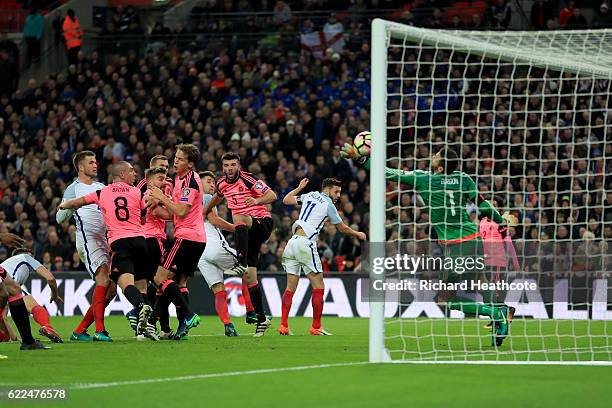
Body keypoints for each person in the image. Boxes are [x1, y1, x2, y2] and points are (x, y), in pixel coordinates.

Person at [342, 144, 517, 346]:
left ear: (441, 168)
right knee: (480, 280)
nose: (433, 156)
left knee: (446, 298)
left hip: (456, 246)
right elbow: (483, 205)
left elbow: (388, 173)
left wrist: (361, 158)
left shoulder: (424, 178)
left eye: (437, 156)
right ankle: (500, 314)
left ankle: (496, 312)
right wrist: (500, 221)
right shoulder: (463, 178)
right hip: (474, 240)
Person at [59, 161, 153, 337]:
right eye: (132, 171)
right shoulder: (136, 191)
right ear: (122, 175)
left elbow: (78, 202)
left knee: (124, 284)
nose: (135, 174)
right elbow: (142, 217)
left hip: (120, 242)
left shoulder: (102, 192)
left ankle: (140, 306)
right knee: (141, 284)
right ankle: (147, 326)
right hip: (141, 241)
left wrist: (63, 206)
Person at [279, 178, 366, 336]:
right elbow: (342, 228)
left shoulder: (309, 195)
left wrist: (299, 187)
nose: (338, 195)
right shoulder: (328, 204)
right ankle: (316, 327)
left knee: (290, 288)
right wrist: (357, 234)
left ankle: (284, 326)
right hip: (305, 243)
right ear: (327, 190)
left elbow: (286, 200)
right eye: (336, 191)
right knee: (319, 286)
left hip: (291, 243)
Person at [204, 152, 278, 337]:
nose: (229, 168)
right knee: (251, 278)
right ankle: (261, 319)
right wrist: (203, 211)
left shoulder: (248, 179)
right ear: (223, 167)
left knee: (238, 215)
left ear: (239, 166)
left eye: (233, 165)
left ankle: (240, 262)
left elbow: (272, 195)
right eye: (226, 165)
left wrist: (257, 200)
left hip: (262, 222)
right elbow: (217, 197)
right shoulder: (221, 183)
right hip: (247, 232)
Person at [146, 144, 204, 340]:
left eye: (179, 159)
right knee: (178, 283)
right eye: (175, 158)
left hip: (186, 238)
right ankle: (180, 326)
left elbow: (181, 211)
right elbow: (174, 214)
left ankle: (186, 315)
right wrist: (157, 211)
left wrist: (161, 196)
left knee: (159, 278)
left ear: (190, 164)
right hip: (195, 238)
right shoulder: (180, 180)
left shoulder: (189, 181)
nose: (175, 161)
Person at [56, 151, 116, 342]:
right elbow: (59, 217)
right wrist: (73, 206)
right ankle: (100, 330)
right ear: (80, 167)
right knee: (103, 279)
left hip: (105, 239)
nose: (95, 165)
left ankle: (80, 330)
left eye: (95, 161)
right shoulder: (73, 189)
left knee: (112, 289)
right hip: (87, 239)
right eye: (90, 162)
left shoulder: (102, 187)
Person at [197, 171, 239, 337]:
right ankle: (253, 312)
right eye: (208, 181)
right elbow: (214, 220)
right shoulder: (207, 198)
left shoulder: (186, 200)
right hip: (213, 245)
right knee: (249, 267)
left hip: (199, 253)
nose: (212, 185)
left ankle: (228, 324)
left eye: (214, 182)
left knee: (218, 288)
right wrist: (237, 229)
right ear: (199, 183)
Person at [0, 248, 63, 343]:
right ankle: (47, 327)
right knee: (32, 303)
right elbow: (51, 279)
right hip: (5, 286)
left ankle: (24, 339)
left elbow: (4, 316)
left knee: (5, 337)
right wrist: (55, 294)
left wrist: (15, 339)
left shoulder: (8, 267)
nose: (33, 258)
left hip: (4, 286)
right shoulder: (25, 258)